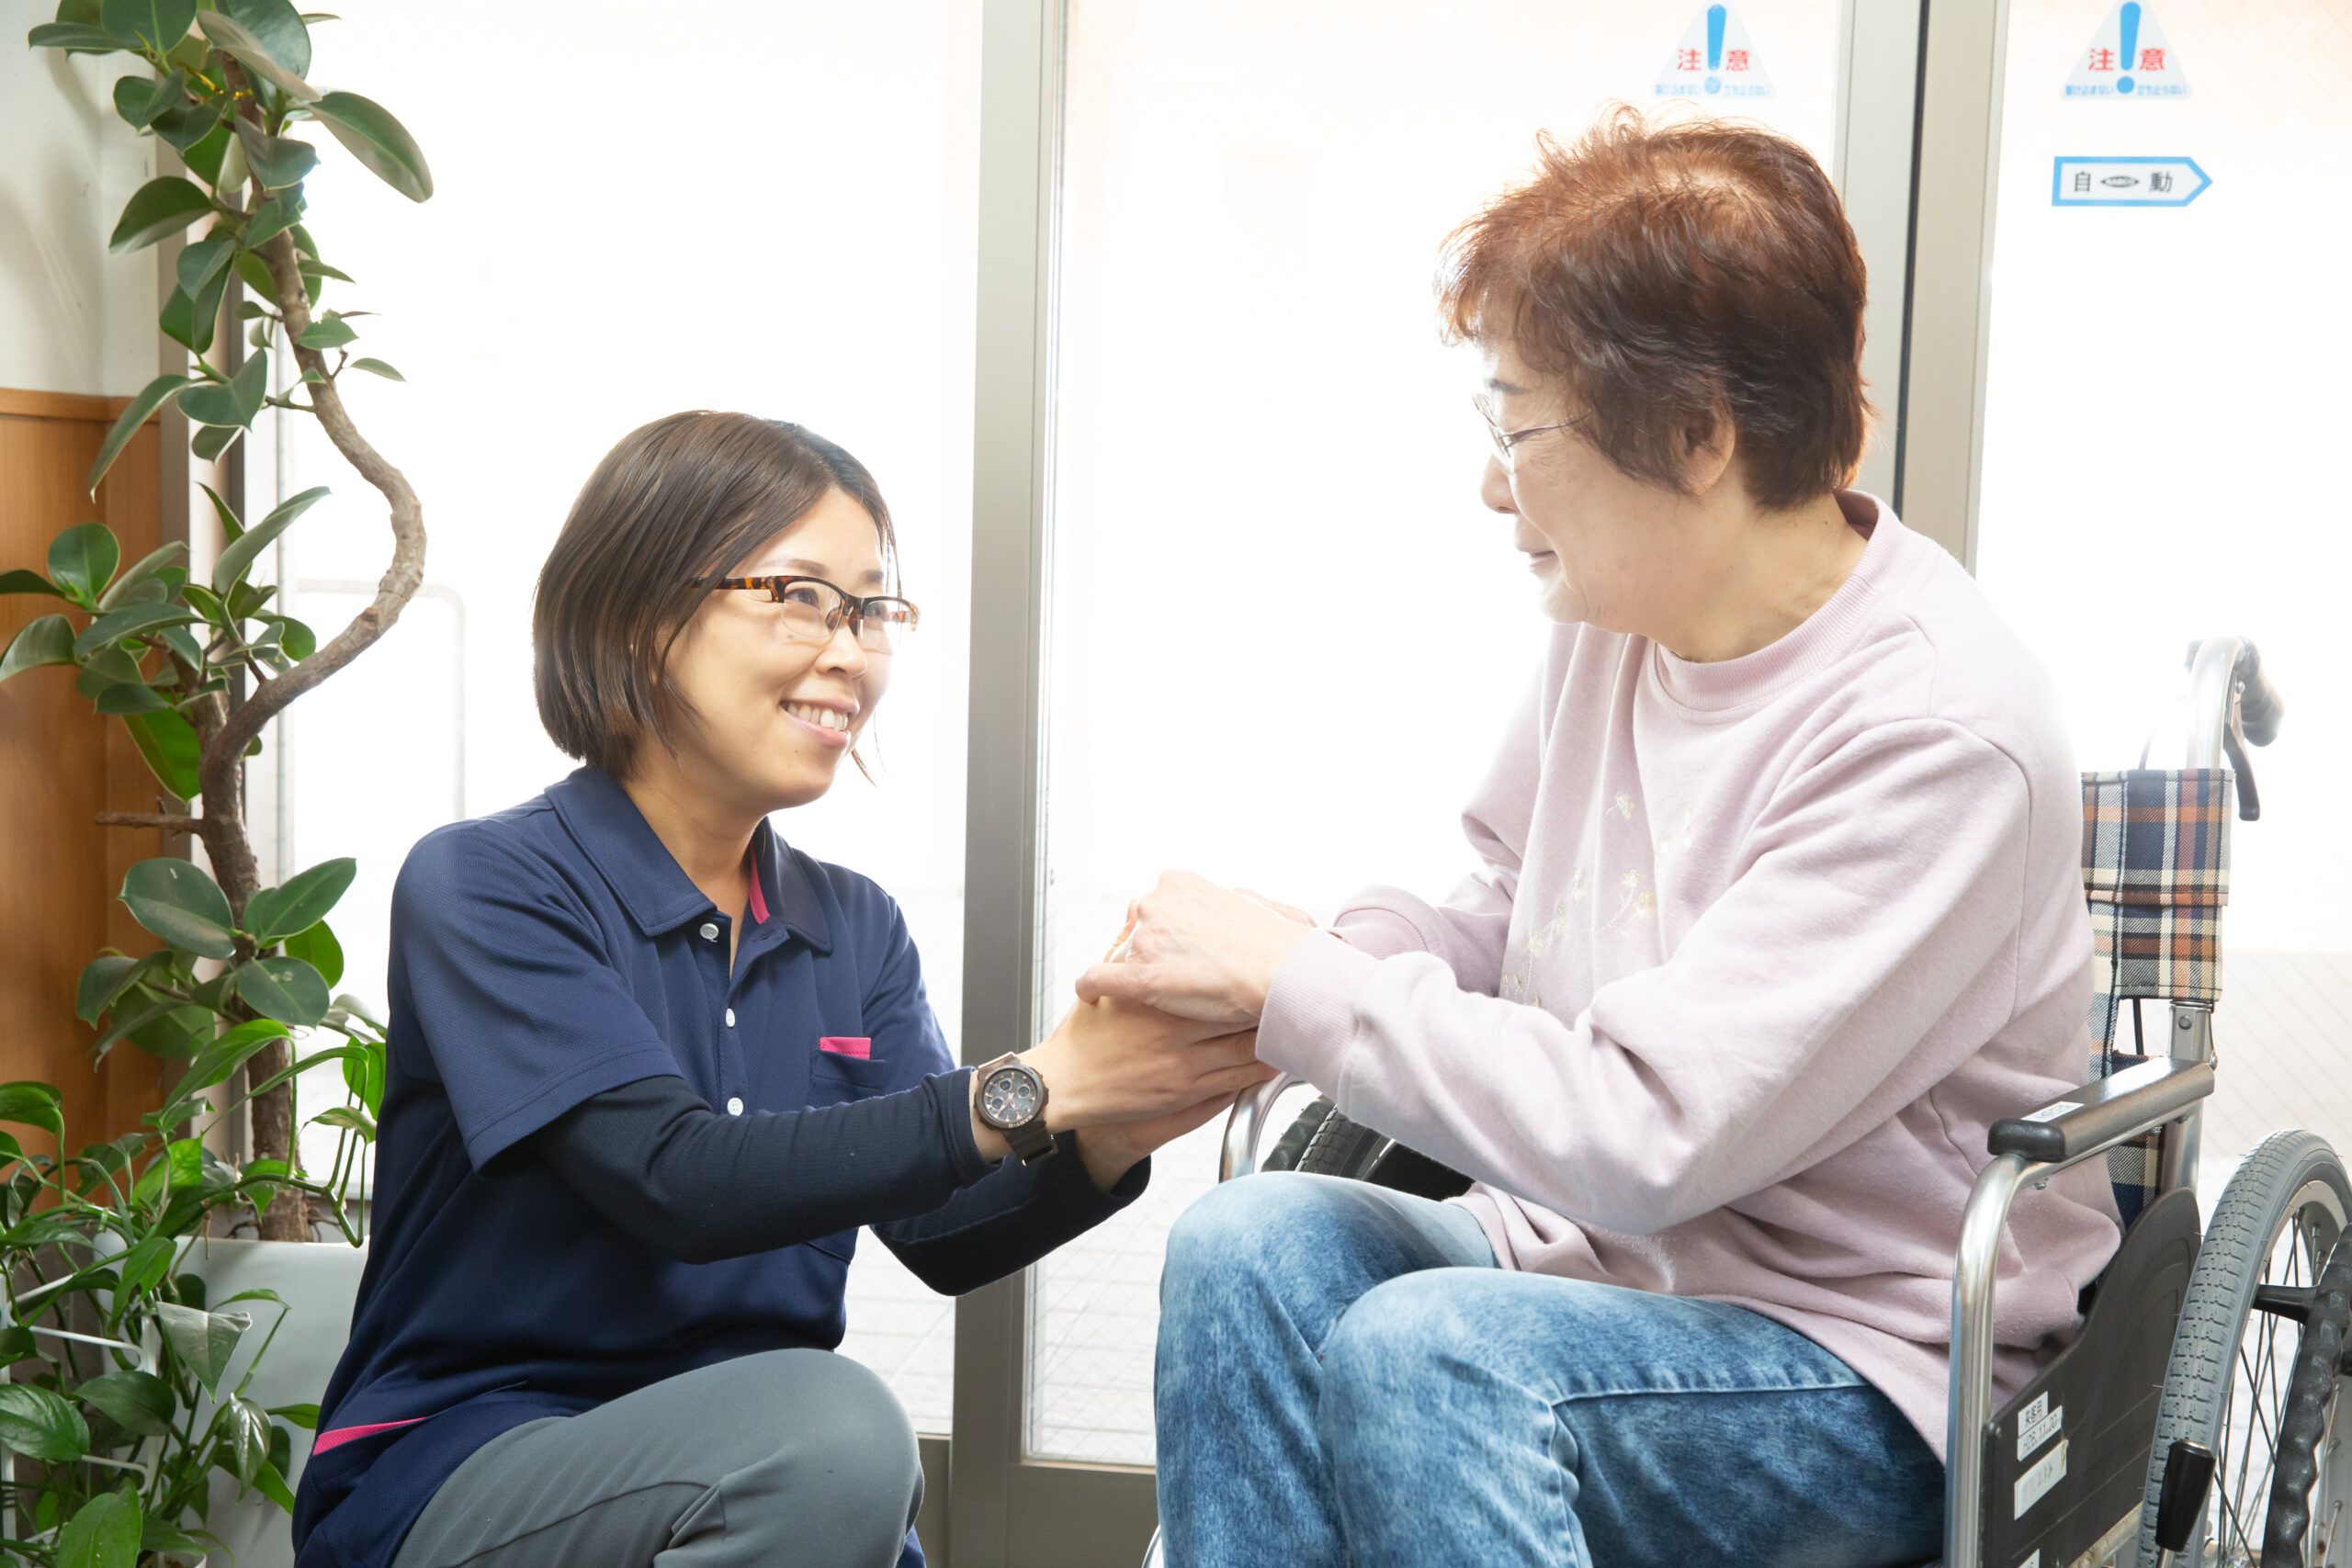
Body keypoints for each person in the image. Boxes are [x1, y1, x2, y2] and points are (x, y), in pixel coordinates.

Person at [1087, 111, 2122, 1568]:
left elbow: (1646, 1133)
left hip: (1859, 1363)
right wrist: (1295, 971)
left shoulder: (1939, 727)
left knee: (1434, 1348)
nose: (1493, 485)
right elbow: (1508, 903)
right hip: (1589, 1276)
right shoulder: (1623, 619)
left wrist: (1308, 990)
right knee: (1245, 1243)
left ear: (1697, 436)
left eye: (1520, 428)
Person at [291, 412, 1270, 1568]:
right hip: (463, 1470)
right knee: (836, 1433)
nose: (849, 650)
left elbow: (944, 1230)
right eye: (801, 595)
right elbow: (676, 1179)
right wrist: (1036, 1084)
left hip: (762, 1478)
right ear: (639, 616)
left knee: (826, 1457)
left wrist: (1114, 1112)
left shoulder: (851, 926)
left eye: (871, 608)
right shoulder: (491, 883)